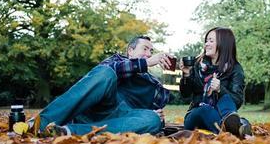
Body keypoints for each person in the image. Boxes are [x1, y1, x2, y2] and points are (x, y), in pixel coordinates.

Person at [35, 35, 173, 136]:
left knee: (153, 120)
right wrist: (144, 64)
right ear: (130, 50)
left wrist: (158, 115)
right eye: (145, 49)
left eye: (151, 51)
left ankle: (68, 131)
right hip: (99, 108)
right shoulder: (116, 61)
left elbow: (165, 103)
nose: (149, 54)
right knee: (106, 73)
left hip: (122, 120)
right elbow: (102, 75)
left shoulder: (152, 82)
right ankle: (39, 124)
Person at [179, 27, 252, 138]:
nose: (206, 44)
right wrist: (186, 74)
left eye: (211, 41)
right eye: (206, 41)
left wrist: (220, 90)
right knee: (205, 110)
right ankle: (238, 128)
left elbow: (237, 101)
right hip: (195, 114)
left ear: (224, 44)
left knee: (223, 99)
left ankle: (232, 127)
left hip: (219, 114)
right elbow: (185, 95)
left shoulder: (235, 69)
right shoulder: (198, 64)